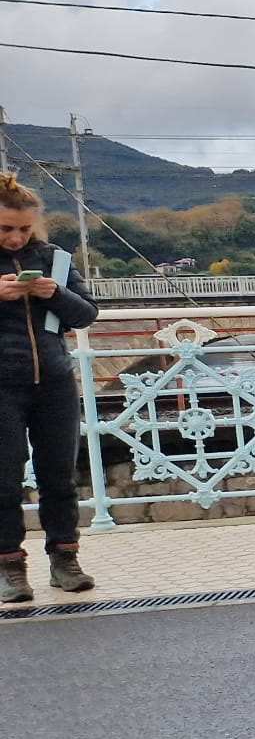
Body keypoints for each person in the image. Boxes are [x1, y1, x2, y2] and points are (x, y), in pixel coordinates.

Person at [0, 172, 99, 603]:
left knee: (59, 477)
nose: (16, 238)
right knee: (3, 480)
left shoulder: (55, 258)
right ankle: (9, 567)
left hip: (55, 382)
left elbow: (86, 314)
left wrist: (54, 293)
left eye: (24, 229)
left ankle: (65, 560)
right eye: (6, 229)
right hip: (3, 386)